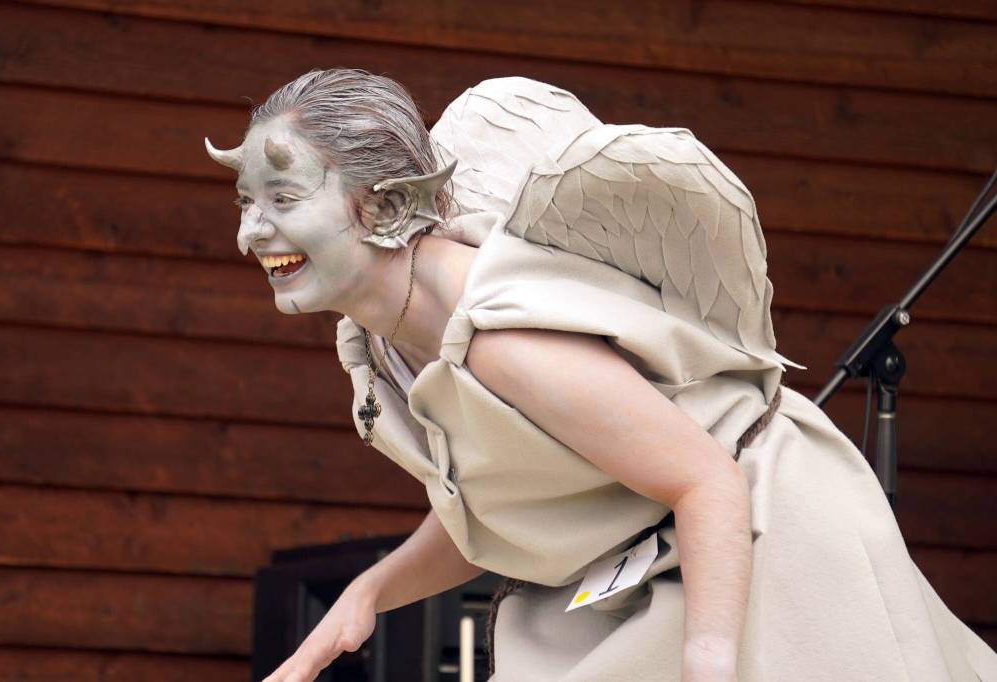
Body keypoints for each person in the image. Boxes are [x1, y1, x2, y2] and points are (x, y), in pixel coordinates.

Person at [204, 68, 997, 682]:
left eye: (282, 196)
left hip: (758, 536)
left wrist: (711, 664)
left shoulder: (499, 333)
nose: (251, 232)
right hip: (645, 557)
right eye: (245, 200)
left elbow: (705, 483)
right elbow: (511, 505)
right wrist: (366, 596)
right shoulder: (383, 340)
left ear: (378, 208)